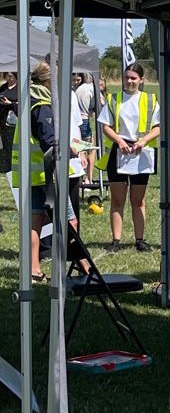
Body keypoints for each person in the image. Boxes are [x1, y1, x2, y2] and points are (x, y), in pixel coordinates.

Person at [11, 62, 83, 283]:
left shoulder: (27, 102)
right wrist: (71, 149)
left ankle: (33, 270)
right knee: (70, 222)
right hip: (46, 173)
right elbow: (49, 143)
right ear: (48, 81)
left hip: (30, 174)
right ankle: (82, 267)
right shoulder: (42, 106)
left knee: (35, 221)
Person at [97, 62, 160, 253]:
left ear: (141, 80)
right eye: (126, 77)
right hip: (119, 152)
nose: (129, 81)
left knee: (138, 200)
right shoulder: (113, 99)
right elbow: (105, 125)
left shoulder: (150, 100)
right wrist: (119, 141)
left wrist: (143, 140)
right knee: (117, 200)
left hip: (141, 153)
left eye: (133, 78)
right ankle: (116, 240)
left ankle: (140, 239)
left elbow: (158, 126)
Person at [74, 72, 96, 184]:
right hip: (84, 121)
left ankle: (83, 178)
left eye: (78, 79)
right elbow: (100, 103)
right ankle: (88, 178)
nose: (76, 82)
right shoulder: (89, 88)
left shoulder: (74, 91)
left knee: (80, 149)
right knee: (89, 149)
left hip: (77, 121)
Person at [0, 71, 18, 175]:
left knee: (12, 146)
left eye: (10, 76)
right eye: (7, 76)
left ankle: (13, 167)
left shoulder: (19, 88)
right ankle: (4, 167)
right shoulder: (3, 87)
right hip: (3, 122)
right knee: (4, 146)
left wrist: (10, 104)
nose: (8, 78)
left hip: (13, 122)